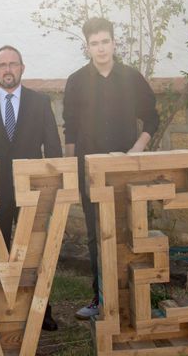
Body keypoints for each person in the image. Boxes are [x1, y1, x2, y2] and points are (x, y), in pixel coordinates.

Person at [63, 17, 159, 320]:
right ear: (87, 47)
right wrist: (71, 170)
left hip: (126, 168)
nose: (101, 48)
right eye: (94, 43)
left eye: (105, 41)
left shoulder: (131, 78)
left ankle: (139, 298)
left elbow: (152, 118)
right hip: (90, 171)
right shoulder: (76, 81)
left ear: (114, 43)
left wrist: (137, 149)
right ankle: (100, 297)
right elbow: (70, 130)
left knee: (132, 230)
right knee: (95, 234)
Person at [0, 45, 62, 332]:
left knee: (35, 250)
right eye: (1, 65)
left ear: (22, 67)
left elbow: (53, 147)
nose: (7, 69)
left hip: (31, 190)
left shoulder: (40, 102)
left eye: (13, 64)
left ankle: (41, 308)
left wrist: (53, 187)